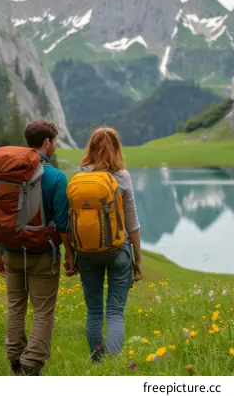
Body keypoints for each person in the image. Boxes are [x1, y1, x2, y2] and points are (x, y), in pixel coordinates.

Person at [0, 120, 77, 376]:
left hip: (10, 249)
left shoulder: (5, 172)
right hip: (43, 253)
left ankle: (15, 361)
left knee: (15, 306)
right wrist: (70, 254)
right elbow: (62, 223)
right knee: (43, 312)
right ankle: (31, 366)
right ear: (47, 142)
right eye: (55, 142)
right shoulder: (56, 176)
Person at [73, 127, 143, 363]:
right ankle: (113, 365)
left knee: (94, 311)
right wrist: (138, 259)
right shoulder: (122, 176)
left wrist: (71, 254)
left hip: (86, 252)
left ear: (90, 148)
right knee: (115, 312)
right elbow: (132, 221)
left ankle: (96, 359)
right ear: (116, 148)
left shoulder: (81, 176)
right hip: (118, 250)